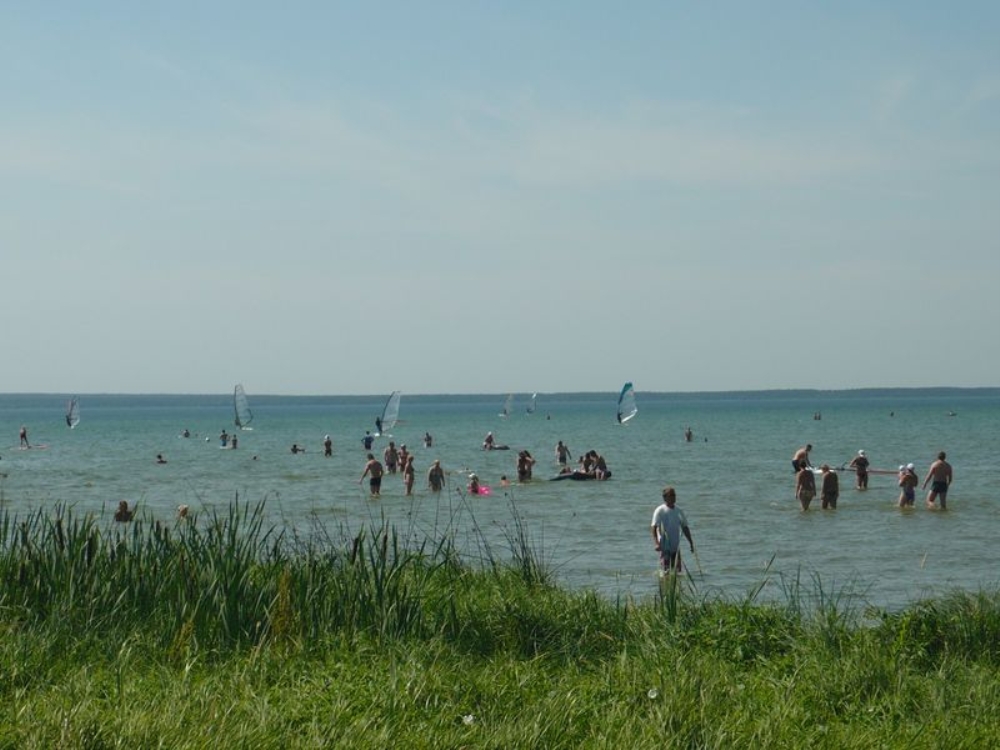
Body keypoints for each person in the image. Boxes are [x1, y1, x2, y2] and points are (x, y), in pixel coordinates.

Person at [650, 486, 694, 573]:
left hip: (676, 547)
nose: (673, 497)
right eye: (671, 495)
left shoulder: (678, 511)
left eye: (674, 495)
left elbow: (685, 527)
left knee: (678, 572)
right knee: (666, 572)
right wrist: (657, 543)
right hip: (664, 547)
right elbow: (653, 527)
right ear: (665, 498)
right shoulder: (660, 510)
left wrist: (691, 542)